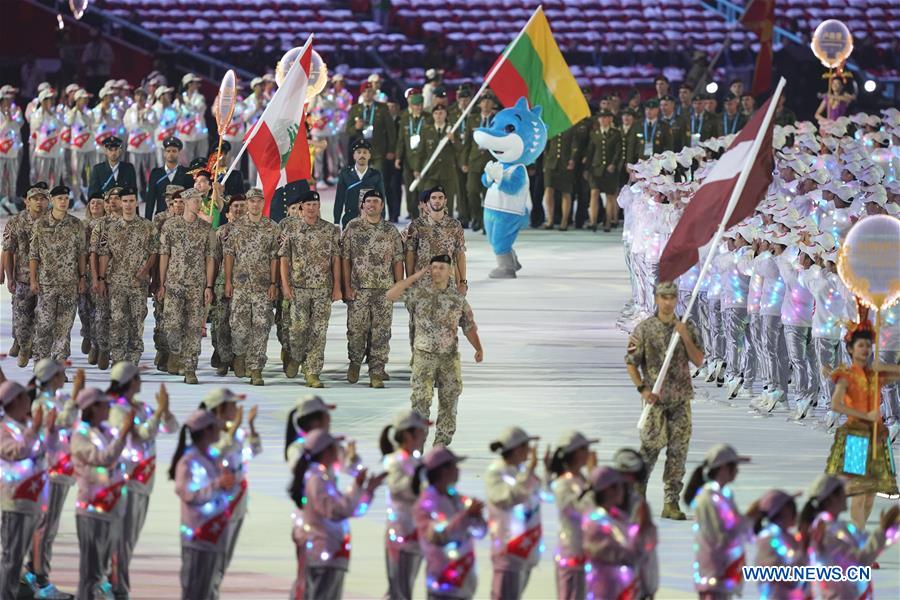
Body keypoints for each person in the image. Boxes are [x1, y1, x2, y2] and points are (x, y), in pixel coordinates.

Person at [625, 280, 704, 519]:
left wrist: (685, 337)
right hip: (655, 400)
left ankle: (671, 502)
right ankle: (637, 499)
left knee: (678, 451)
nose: (668, 302)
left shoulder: (687, 326)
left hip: (680, 399)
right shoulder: (644, 329)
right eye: (663, 297)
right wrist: (642, 389)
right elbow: (631, 363)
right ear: (656, 299)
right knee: (649, 449)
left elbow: (699, 360)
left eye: (672, 297)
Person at [386, 255, 483, 446]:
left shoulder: (457, 298)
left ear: (450, 271)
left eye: (441, 268)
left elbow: (469, 326)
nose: (437, 271)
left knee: (449, 402)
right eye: (434, 267)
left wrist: (478, 348)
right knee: (421, 402)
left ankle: (441, 444)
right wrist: (416, 276)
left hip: (449, 358)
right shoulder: (419, 292)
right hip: (424, 356)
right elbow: (391, 295)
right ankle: (417, 444)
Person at [289, 430, 385, 599]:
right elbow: (337, 511)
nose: (340, 451)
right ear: (327, 451)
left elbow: (350, 509)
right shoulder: (317, 480)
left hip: (331, 555)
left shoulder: (323, 478)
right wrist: (358, 486)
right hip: (324, 554)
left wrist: (367, 490)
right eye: (336, 447)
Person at [825, 317, 900, 530]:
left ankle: (859, 531)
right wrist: (863, 415)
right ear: (850, 349)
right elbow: (836, 404)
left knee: (869, 496)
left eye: (868, 345)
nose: (865, 349)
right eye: (861, 345)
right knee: (859, 493)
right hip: (856, 438)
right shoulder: (846, 375)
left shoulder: (876, 373)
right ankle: (858, 540)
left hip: (877, 438)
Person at [71, 387, 132, 600]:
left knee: (101, 571)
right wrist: (123, 435)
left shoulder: (106, 431)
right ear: (93, 407)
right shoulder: (80, 437)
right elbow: (103, 458)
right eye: (105, 404)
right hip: (92, 511)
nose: (109, 408)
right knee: (91, 574)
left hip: (111, 508)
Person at [800, 474, 899, 600]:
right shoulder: (827, 532)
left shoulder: (838, 526)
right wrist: (883, 531)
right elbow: (858, 562)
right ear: (831, 499)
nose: (846, 494)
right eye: (842, 491)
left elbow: (866, 542)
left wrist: (887, 531)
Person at [0, 381, 57, 600]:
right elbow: (16, 452)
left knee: (19, 556)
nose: (29, 401)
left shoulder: (25, 426)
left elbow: (47, 449)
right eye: (24, 397)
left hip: (33, 499)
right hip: (16, 500)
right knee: (11, 558)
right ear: (14, 401)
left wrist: (48, 430)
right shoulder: (5, 429)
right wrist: (35, 429)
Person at [201, 388, 260, 596]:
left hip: (238, 502)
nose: (237, 409)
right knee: (212, 558)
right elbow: (214, 453)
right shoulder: (207, 431)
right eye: (233, 405)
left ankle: (212, 592)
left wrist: (251, 427)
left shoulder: (236, 432)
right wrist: (234, 429)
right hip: (217, 505)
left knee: (224, 559)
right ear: (220, 409)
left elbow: (253, 451)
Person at [279, 190, 342, 386]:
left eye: (315, 204)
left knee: (319, 331)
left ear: (319, 206)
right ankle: (296, 356)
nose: (312, 208)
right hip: (299, 288)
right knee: (298, 330)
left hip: (323, 288)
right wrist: (285, 286)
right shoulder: (292, 230)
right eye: (308, 205)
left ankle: (313, 371)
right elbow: (284, 259)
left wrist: (337, 286)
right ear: (301, 208)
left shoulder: (330, 230)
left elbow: (335, 260)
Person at [341, 188, 403, 388]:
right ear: (363, 205)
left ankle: (376, 370)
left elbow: (398, 260)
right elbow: (345, 259)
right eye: (369, 201)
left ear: (382, 206)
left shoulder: (390, 230)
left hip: (384, 290)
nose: (372, 205)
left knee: (382, 332)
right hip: (359, 289)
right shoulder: (353, 227)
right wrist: (346, 286)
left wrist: (398, 286)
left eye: (376, 201)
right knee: (356, 330)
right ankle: (355, 362)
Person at [170, 409, 234, 600]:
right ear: (206, 431)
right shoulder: (189, 461)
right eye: (215, 427)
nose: (219, 431)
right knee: (195, 591)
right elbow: (187, 494)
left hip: (214, 534)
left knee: (207, 591)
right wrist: (217, 485)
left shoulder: (212, 457)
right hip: (199, 536)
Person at [683, 444, 760, 600]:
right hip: (715, 573)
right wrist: (751, 517)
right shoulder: (710, 498)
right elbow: (723, 536)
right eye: (734, 466)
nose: (737, 471)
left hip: (723, 573)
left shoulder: (722, 495)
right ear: (723, 468)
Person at [158, 187, 216, 383]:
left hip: (196, 285)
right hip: (174, 284)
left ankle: (190, 367)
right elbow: (164, 255)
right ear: (185, 201)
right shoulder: (170, 226)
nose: (199, 204)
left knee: (193, 327)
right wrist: (162, 282)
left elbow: (210, 259)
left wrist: (208, 286)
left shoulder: (206, 228)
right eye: (195, 200)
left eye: (200, 200)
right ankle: (176, 352)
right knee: (172, 325)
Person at [414, 447, 487, 599]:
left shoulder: (458, 499)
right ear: (443, 471)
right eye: (454, 465)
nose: (458, 470)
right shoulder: (426, 504)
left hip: (464, 582)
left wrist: (477, 518)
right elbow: (438, 536)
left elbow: (481, 532)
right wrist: (466, 516)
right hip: (443, 584)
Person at [97, 187, 158, 364]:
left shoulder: (147, 226)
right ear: (120, 203)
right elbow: (104, 254)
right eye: (125, 201)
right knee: (117, 321)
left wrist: (146, 270)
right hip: (116, 282)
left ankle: (133, 358)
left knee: (137, 321)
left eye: (132, 201)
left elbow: (154, 252)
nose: (128, 205)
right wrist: (101, 279)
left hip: (139, 284)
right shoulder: (111, 228)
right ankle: (117, 357)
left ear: (137, 203)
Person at [224, 187, 278, 385]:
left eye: (259, 201)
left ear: (263, 203)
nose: (255, 204)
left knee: (262, 326)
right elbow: (229, 255)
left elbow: (274, 257)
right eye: (252, 201)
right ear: (247, 203)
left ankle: (256, 368)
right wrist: (228, 281)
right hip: (241, 285)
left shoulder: (272, 227)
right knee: (238, 327)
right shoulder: (236, 227)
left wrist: (273, 283)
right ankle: (240, 354)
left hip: (263, 286)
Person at [29, 185, 87, 361]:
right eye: (59, 198)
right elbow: (34, 254)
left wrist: (83, 277)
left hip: (69, 283)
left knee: (64, 326)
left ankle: (59, 365)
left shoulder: (76, 225)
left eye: (66, 198)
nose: (63, 202)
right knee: (44, 324)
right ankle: (41, 361)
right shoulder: (41, 224)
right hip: (47, 284)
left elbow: (81, 254)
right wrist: (33, 279)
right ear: (52, 201)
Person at [485, 427, 542, 600]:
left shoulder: (521, 471)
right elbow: (509, 498)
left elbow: (540, 493)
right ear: (516, 448)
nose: (530, 451)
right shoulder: (496, 472)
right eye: (526, 446)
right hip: (509, 552)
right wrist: (529, 472)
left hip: (526, 549)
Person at [582, 466, 655, 600]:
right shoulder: (596, 524)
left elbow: (645, 549)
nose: (623, 490)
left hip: (624, 589)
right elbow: (628, 556)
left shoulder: (619, 517)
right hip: (606, 592)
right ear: (608, 489)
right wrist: (644, 529)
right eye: (619, 486)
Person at [379, 410, 429, 600]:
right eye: (420, 431)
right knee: (398, 591)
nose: (424, 435)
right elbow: (401, 489)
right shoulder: (394, 461)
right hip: (401, 533)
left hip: (416, 532)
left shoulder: (417, 461)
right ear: (408, 434)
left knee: (405, 588)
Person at [546, 431, 598, 599]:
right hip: (571, 555)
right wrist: (594, 479)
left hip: (584, 553)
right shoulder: (563, 484)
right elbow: (580, 510)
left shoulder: (579, 479)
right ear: (574, 453)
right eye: (584, 449)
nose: (589, 453)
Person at [3, 185, 48, 367]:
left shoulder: (54, 222)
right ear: (27, 202)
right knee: (22, 320)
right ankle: (23, 345)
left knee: (44, 321)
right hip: (23, 278)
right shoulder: (16, 222)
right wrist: (9, 277)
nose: (39, 202)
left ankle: (39, 355)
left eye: (43, 198)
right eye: (35, 199)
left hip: (47, 281)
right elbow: (8, 250)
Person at [613, 448, 659, 599]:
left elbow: (648, 552)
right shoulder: (604, 504)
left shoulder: (639, 505)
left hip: (634, 585)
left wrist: (650, 587)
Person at [752, 489, 808, 600]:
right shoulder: (768, 538)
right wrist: (803, 550)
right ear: (784, 510)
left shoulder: (789, 537)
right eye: (792, 506)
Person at [333, 139, 387, 229]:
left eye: (365, 152)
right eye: (358, 152)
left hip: (371, 221)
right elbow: (339, 198)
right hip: (349, 220)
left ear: (369, 155)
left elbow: (381, 199)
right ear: (354, 155)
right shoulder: (345, 173)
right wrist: (336, 222)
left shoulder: (376, 174)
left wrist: (382, 220)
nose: (362, 155)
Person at [584, 110, 623, 232]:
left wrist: (613, 164)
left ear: (610, 119)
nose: (603, 120)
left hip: (610, 170)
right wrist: (586, 168)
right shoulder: (594, 133)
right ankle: (593, 221)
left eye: (605, 117)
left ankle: (608, 222)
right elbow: (590, 151)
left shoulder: (616, 134)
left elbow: (618, 151)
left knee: (610, 196)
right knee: (594, 193)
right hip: (595, 169)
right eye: (601, 117)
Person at [346, 82, 396, 175]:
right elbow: (348, 131)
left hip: (378, 149)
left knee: (377, 178)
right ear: (361, 93)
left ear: (373, 93)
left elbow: (391, 130)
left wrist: (391, 150)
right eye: (364, 91)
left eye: (369, 91)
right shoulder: (355, 109)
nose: (367, 94)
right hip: (361, 151)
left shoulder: (382, 108)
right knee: (362, 180)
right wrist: (356, 128)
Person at [419, 104, 459, 217]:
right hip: (431, 172)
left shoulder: (452, 129)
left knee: (448, 201)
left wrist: (453, 140)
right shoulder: (427, 130)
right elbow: (421, 151)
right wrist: (417, 169)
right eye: (436, 113)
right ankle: (426, 226)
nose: (438, 116)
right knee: (427, 199)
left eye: (441, 113)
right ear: (433, 115)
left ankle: (448, 228)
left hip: (447, 172)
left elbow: (460, 149)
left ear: (446, 114)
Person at [395, 92, 428, 220]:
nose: (418, 107)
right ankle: (413, 213)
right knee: (410, 189)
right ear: (411, 105)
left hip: (423, 159)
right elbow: (401, 140)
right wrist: (398, 157)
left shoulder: (428, 118)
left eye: (420, 105)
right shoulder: (405, 119)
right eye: (416, 105)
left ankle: (423, 214)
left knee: (422, 188)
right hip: (408, 159)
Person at [145, 136, 193, 219]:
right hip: (160, 218)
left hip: (181, 218)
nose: (171, 153)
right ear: (164, 153)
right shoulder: (156, 173)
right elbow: (150, 200)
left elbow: (190, 199)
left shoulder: (187, 173)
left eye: (174, 151)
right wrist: (147, 221)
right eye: (168, 151)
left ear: (179, 153)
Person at [123, 87, 158, 200]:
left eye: (142, 97)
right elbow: (128, 126)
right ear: (135, 98)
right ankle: (136, 192)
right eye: (138, 96)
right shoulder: (130, 111)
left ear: (145, 98)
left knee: (150, 171)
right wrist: (139, 123)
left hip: (148, 145)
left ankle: (150, 191)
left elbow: (155, 125)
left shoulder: (151, 111)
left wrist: (146, 122)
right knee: (135, 171)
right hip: (135, 145)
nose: (140, 99)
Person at [176, 73, 208, 162]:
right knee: (187, 162)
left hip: (200, 135)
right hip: (185, 136)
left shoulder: (200, 97)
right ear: (189, 84)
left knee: (201, 161)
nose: (197, 84)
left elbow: (197, 109)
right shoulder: (180, 99)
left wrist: (185, 105)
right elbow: (177, 115)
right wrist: (179, 106)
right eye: (195, 82)